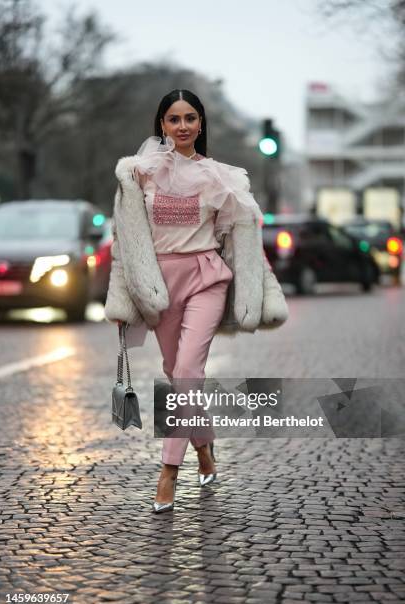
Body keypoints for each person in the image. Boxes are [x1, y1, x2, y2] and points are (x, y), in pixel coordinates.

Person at [105, 88, 288, 513]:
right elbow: (125, 244)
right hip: (159, 286)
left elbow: (239, 240)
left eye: (190, 118)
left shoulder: (222, 177)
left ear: (200, 124)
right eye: (174, 119)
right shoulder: (136, 175)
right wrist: (122, 301)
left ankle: (168, 471)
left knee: (188, 370)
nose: (183, 126)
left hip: (207, 278)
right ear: (162, 125)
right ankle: (204, 449)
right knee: (178, 376)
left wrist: (258, 289)